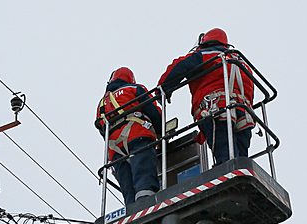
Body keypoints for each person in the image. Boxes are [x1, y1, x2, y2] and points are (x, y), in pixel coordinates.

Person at [158, 28, 255, 165]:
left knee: (224, 151)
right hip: (244, 114)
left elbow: (179, 67)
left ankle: (227, 171)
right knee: (240, 154)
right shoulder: (241, 63)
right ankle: (241, 172)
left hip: (216, 110)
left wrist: (163, 89)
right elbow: (250, 90)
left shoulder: (204, 55)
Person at [95, 67, 162, 205]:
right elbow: (154, 112)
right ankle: (146, 203)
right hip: (137, 137)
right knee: (143, 175)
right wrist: (161, 133)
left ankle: (131, 211)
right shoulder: (134, 89)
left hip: (114, 149)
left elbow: (102, 129)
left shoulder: (101, 104)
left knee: (127, 184)